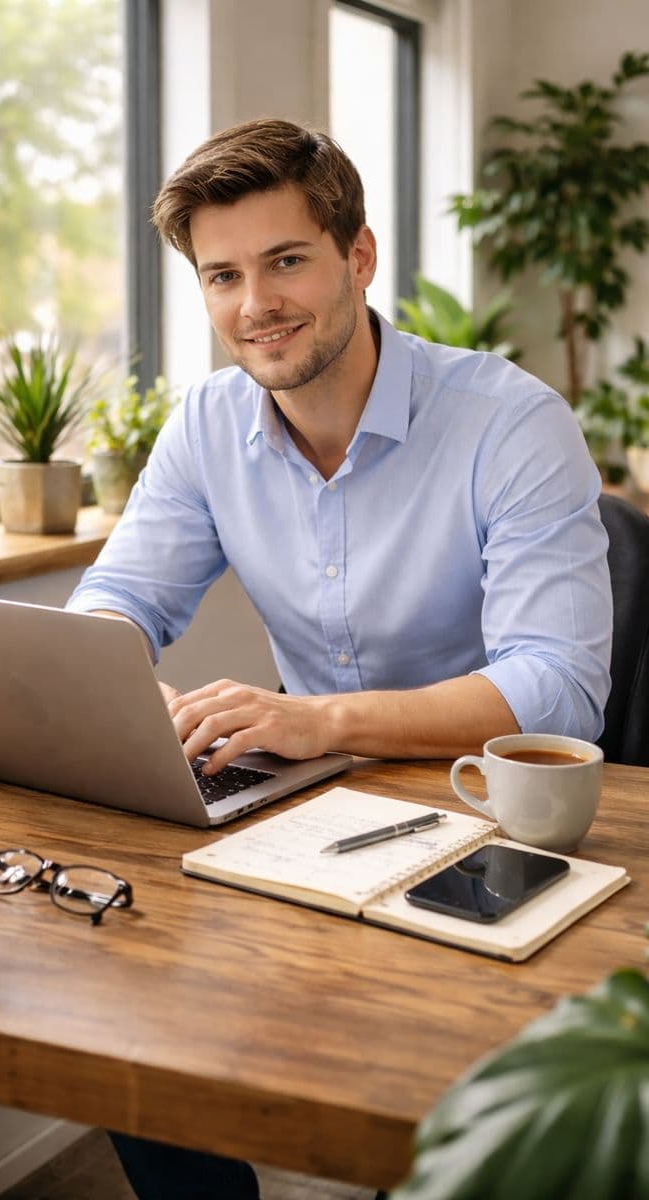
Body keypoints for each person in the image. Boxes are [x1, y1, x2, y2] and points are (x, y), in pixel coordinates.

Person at [66, 117, 612, 1199]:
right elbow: (122, 598)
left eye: (284, 262)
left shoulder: (508, 424)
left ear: (356, 258)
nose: (253, 304)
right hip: (305, 816)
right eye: (221, 275)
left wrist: (320, 720)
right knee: (113, 1003)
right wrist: (85, 671)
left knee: (426, 1106)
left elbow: (558, 689)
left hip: (480, 826)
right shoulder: (208, 426)